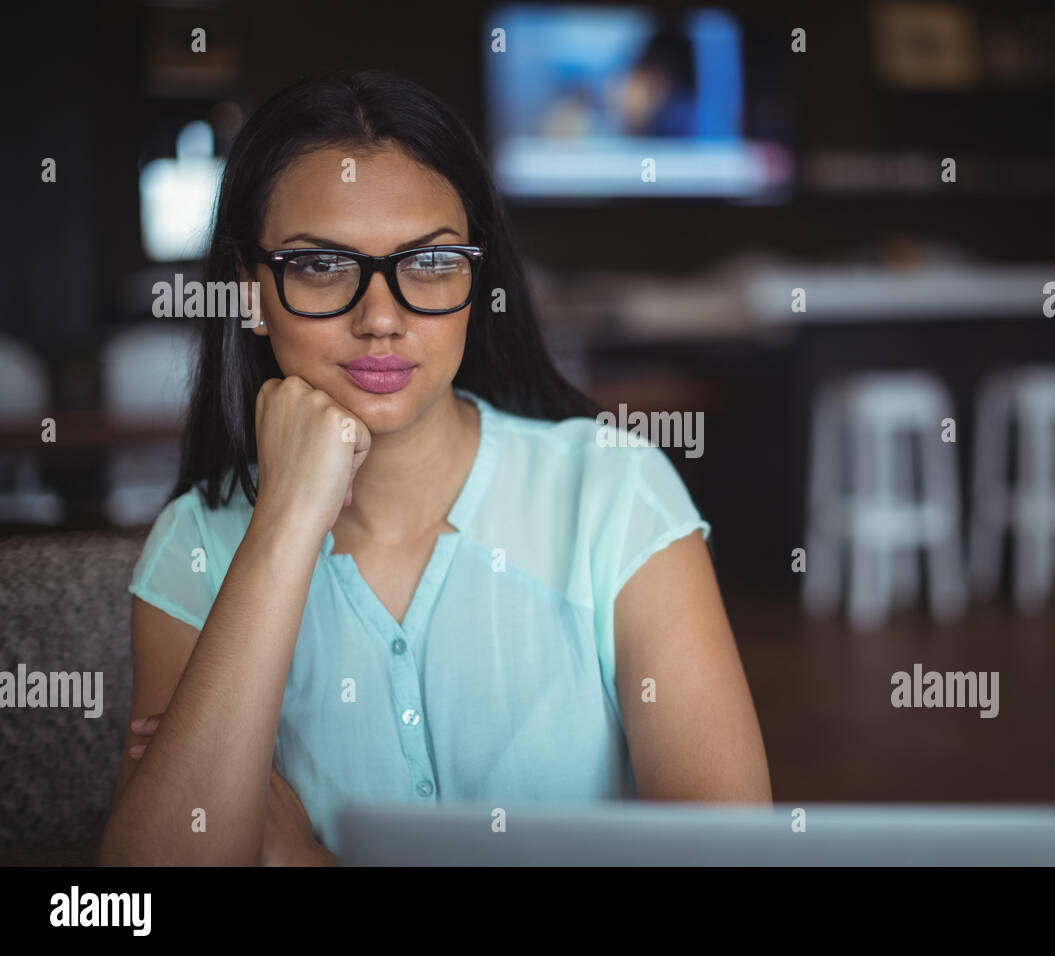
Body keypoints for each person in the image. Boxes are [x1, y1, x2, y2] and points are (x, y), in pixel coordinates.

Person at [97, 69, 770, 866]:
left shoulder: (613, 490)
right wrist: (281, 527)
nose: (380, 318)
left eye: (430, 263)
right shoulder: (197, 542)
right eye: (319, 267)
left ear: (475, 279)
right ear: (251, 291)